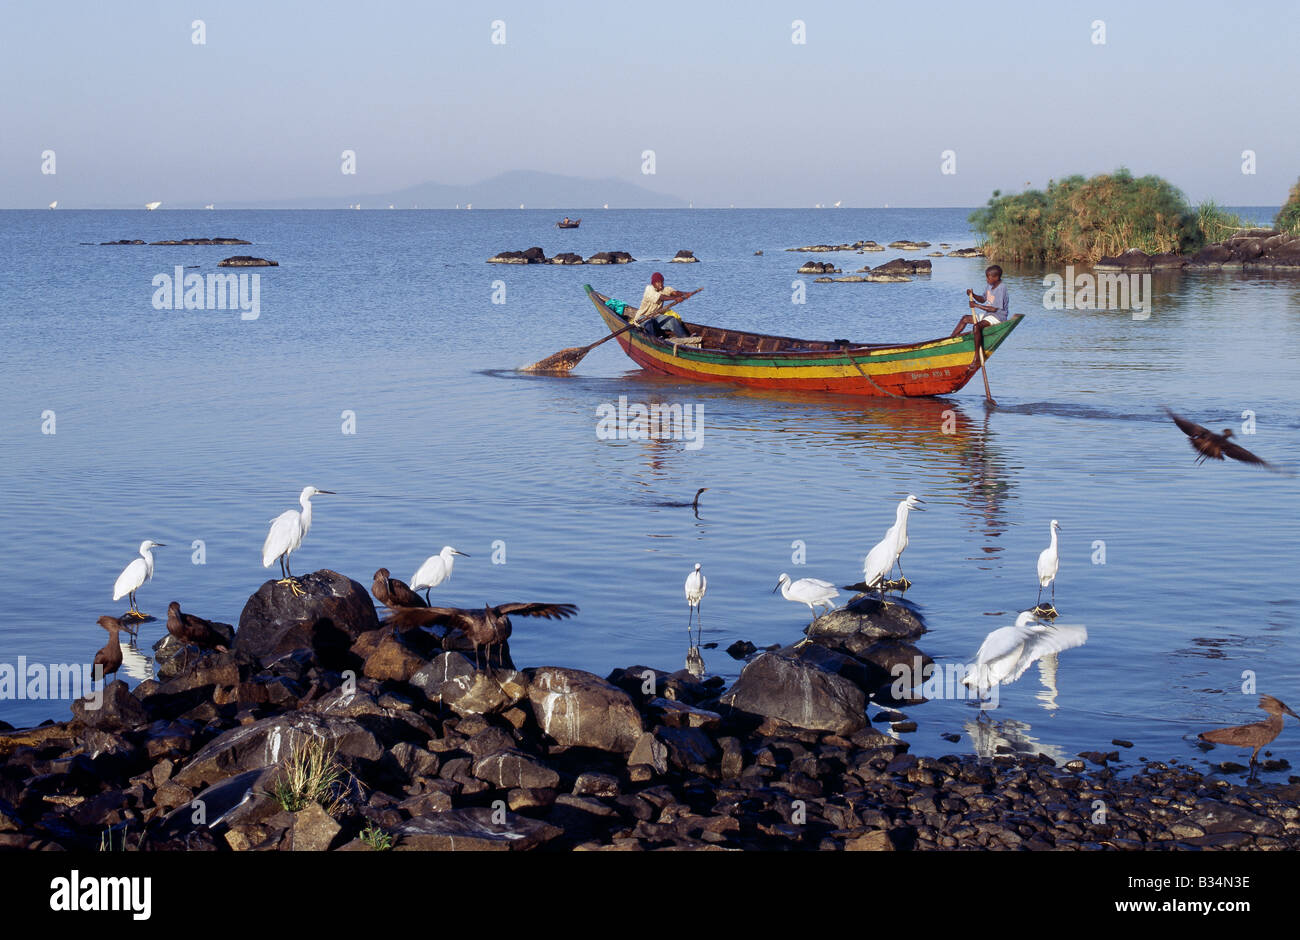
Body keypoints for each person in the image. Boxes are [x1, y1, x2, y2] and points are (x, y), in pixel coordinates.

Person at [950, 265, 1009, 337]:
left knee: (976, 327)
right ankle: (951, 338)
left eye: (988, 278)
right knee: (965, 319)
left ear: (996, 278)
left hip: (997, 317)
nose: (987, 280)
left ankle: (977, 348)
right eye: (986, 277)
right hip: (988, 315)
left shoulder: (1001, 288)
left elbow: (994, 309)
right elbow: (983, 299)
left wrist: (976, 305)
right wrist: (973, 295)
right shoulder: (990, 285)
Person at [633, 272, 688, 337]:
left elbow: (675, 293)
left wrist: (686, 294)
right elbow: (661, 297)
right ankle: (653, 340)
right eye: (658, 282)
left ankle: (685, 338)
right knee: (649, 322)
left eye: (662, 282)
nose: (661, 284)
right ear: (653, 283)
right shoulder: (649, 289)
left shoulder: (663, 289)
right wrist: (676, 298)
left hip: (656, 317)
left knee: (672, 319)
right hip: (643, 318)